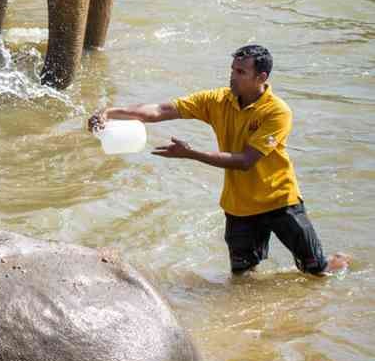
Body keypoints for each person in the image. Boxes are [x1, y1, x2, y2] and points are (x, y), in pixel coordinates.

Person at [88, 44, 349, 276]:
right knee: (243, 278)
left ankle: (343, 260)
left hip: (279, 201)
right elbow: (160, 110)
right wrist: (111, 112)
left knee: (316, 271)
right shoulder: (217, 100)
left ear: (262, 77)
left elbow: (246, 160)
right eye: (232, 69)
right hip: (239, 207)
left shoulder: (277, 112)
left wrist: (191, 154)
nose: (232, 76)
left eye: (240, 72)